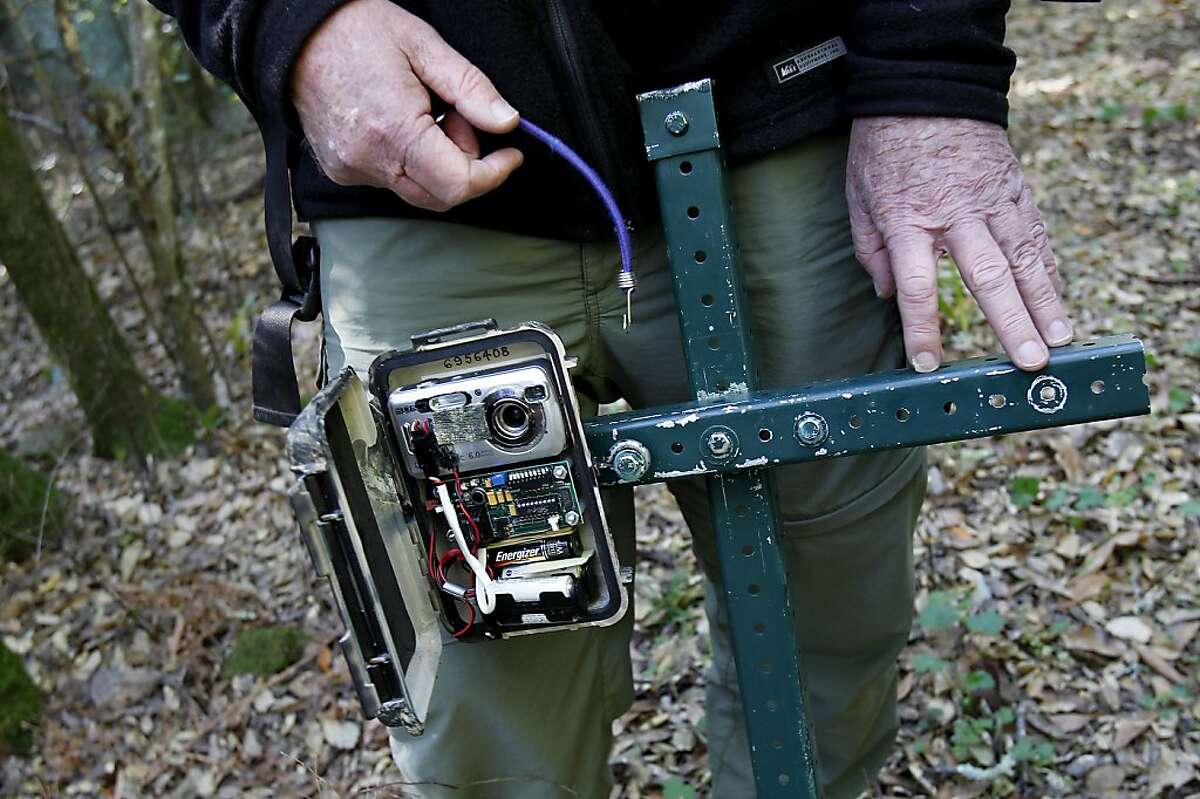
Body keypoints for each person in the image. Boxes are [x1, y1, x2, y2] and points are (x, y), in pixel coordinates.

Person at [153, 1, 1076, 796]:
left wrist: (928, 65)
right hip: (421, 169)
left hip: (778, 112)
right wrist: (292, 25)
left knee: (826, 626)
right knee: (481, 704)